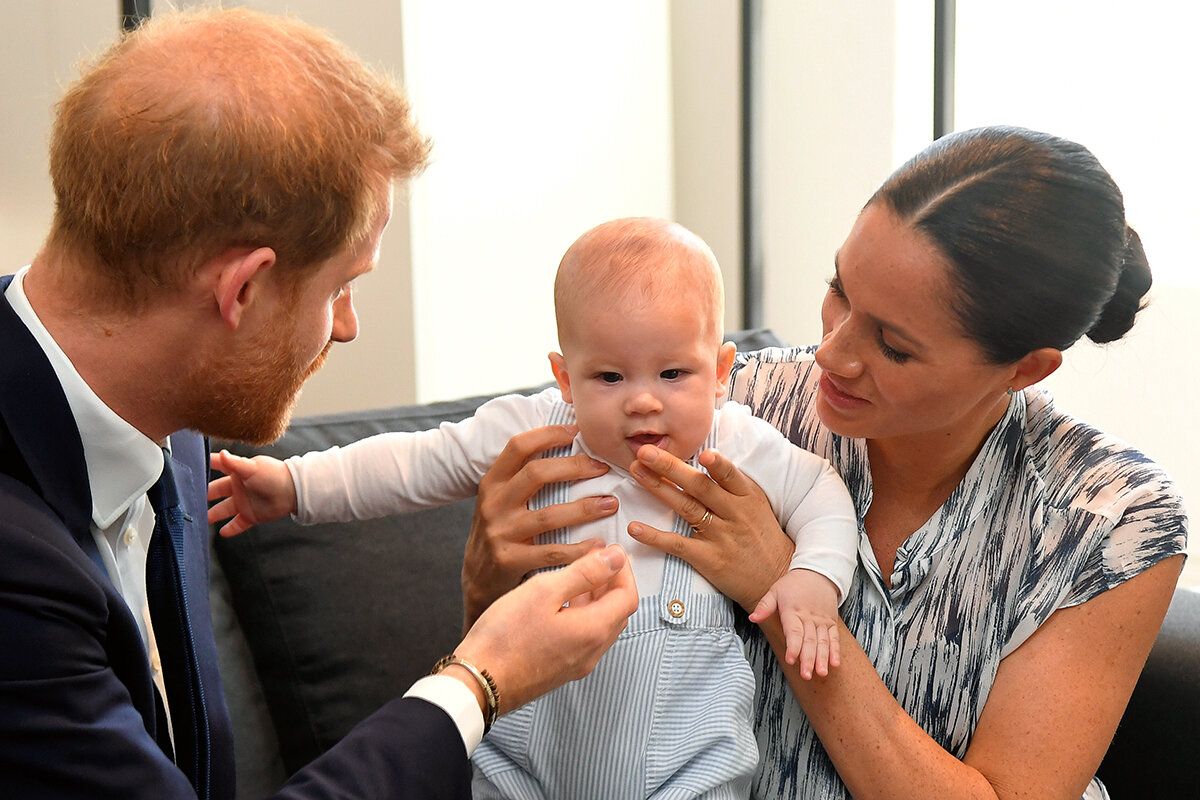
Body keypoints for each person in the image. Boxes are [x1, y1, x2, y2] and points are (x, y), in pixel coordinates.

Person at [0, 8, 637, 799]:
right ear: (244, 288)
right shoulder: (15, 567)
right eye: (342, 286)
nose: (347, 327)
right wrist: (480, 680)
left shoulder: (173, 416)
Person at [460, 126, 1189, 799]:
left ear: (1025, 369)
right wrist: (487, 579)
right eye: (839, 289)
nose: (832, 353)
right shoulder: (724, 406)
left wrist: (783, 590)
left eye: (892, 345)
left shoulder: (1111, 521)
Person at [208, 216, 859, 799]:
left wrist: (811, 579)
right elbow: (414, 463)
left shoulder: (736, 441)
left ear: (720, 372)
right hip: (528, 765)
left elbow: (822, 494)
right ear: (563, 376)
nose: (642, 401)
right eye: (609, 377)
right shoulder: (533, 431)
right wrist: (293, 486)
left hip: (685, 771)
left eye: (673, 374)